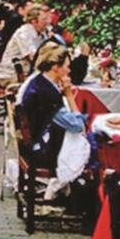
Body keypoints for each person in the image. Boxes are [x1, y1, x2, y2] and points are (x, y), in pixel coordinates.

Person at [17, 44, 89, 198]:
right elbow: (78, 126)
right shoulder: (46, 93)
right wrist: (69, 96)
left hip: (36, 141)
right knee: (94, 144)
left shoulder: (38, 81)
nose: (69, 70)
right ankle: (80, 197)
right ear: (56, 67)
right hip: (43, 151)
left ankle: (72, 191)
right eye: (67, 66)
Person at [0, 3, 48, 86]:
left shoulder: (42, 33)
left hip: (28, 71)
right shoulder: (23, 33)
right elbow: (33, 57)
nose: (47, 22)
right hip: (12, 74)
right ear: (34, 21)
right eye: (44, 19)